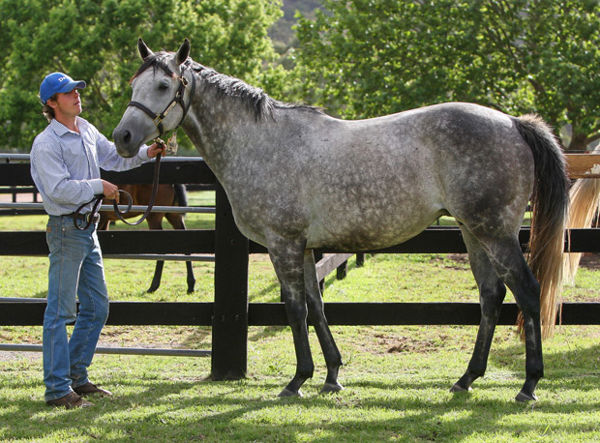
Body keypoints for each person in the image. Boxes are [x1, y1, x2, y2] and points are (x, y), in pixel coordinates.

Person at [30, 72, 165, 409]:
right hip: (66, 228)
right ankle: (58, 389)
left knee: (96, 307)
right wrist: (97, 186)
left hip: (86, 229)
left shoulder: (85, 128)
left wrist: (147, 152)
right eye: (68, 92)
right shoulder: (47, 143)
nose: (77, 94)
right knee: (60, 312)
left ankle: (76, 376)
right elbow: (58, 191)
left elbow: (115, 157)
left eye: (77, 89)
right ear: (51, 103)